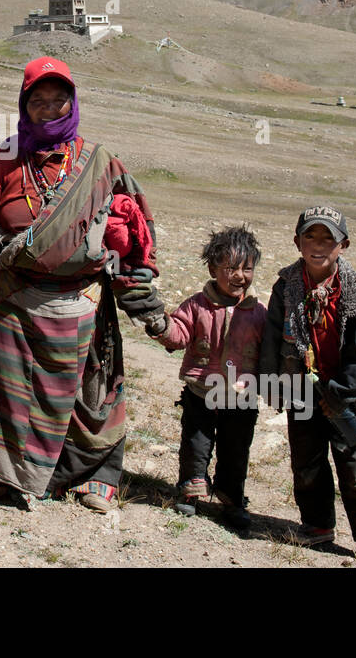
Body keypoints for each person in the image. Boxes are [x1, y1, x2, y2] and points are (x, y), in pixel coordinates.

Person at [0, 56, 163, 512]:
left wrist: (146, 303)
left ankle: (90, 476)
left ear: (73, 104)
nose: (48, 109)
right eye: (38, 101)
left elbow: (136, 234)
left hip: (82, 301)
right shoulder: (7, 157)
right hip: (14, 299)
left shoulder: (101, 163)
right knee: (7, 391)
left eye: (58, 100)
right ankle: (2, 476)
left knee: (90, 396)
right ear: (23, 106)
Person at [259, 205, 356, 567]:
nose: (319, 244)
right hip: (301, 388)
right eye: (311, 235)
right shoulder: (286, 286)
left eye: (329, 237)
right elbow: (273, 336)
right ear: (297, 241)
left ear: (344, 245)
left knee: (354, 466)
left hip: (345, 395)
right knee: (306, 462)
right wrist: (271, 382)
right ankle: (317, 526)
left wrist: (341, 393)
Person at [143, 225, 266, 530]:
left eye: (247, 268)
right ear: (212, 268)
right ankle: (190, 488)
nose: (240, 276)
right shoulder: (196, 305)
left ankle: (231, 496)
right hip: (201, 393)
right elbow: (180, 333)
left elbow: (269, 352)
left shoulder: (258, 312)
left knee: (236, 450)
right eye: (231, 268)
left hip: (242, 398)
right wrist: (161, 328)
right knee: (196, 444)